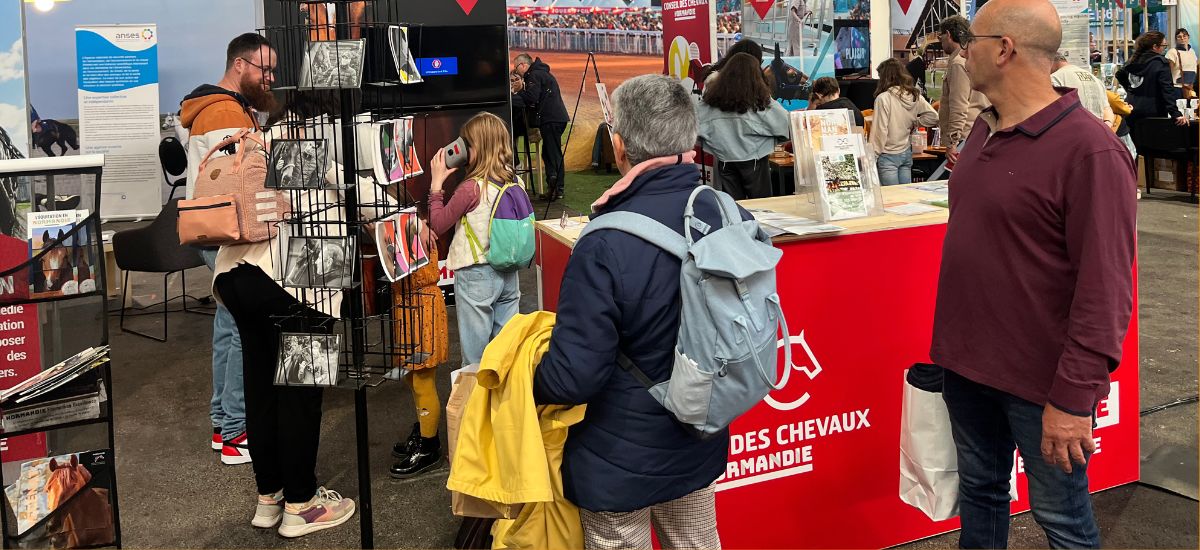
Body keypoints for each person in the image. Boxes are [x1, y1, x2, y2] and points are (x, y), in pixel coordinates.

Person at [932, 0, 1137, 547]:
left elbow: (1107, 291)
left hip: (1041, 385)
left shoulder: (1091, 152)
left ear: (1004, 49)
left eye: (971, 40)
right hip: (968, 369)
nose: (960, 51)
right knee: (980, 495)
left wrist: (1073, 400)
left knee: (1062, 520)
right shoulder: (984, 133)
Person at [532, 74, 747, 550]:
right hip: (699, 433)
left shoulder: (605, 242)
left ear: (620, 144)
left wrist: (524, 382)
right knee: (696, 542)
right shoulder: (729, 215)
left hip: (617, 455)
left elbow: (574, 377)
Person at [213, 90, 392, 537]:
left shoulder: (258, 142)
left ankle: (269, 497)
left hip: (237, 277)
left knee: (262, 386)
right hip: (295, 283)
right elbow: (366, 199)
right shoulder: (304, 146)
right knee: (300, 391)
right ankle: (302, 504)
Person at [180, 32, 279, 466]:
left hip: (214, 230)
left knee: (228, 326)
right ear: (240, 65)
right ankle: (236, 428)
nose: (270, 77)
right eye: (265, 68)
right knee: (241, 329)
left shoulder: (212, 107)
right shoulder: (224, 111)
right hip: (231, 230)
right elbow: (245, 173)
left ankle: (225, 425)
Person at [427, 112, 521, 368]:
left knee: (475, 360)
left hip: (476, 273)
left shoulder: (471, 188)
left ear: (477, 148)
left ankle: (476, 406)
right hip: (508, 272)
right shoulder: (514, 181)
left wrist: (436, 186)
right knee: (504, 354)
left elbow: (438, 223)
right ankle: (504, 406)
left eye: (466, 143)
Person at [388, 218, 449, 479]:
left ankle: (429, 445)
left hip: (422, 305)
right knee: (412, 376)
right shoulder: (402, 222)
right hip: (406, 303)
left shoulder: (418, 224)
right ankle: (423, 430)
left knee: (423, 379)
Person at [696, 52, 791, 199]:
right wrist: (769, 142)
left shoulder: (712, 101)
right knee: (762, 208)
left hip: (725, 160)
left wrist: (715, 145)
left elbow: (693, 128)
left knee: (733, 208)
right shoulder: (761, 101)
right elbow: (786, 126)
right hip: (755, 161)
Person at [870, 58, 938, 185]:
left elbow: (880, 131)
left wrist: (871, 157)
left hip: (887, 154)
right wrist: (915, 122)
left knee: (890, 199)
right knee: (904, 196)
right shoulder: (914, 95)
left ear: (885, 77)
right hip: (906, 152)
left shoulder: (883, 98)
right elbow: (933, 116)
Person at [512, 53, 569, 200]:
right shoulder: (541, 73)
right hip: (555, 118)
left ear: (523, 65)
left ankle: (558, 189)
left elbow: (532, 97)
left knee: (552, 153)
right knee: (549, 152)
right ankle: (554, 188)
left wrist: (513, 97)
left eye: (516, 67)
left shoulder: (534, 75)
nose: (516, 71)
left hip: (551, 118)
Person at [937, 15, 991, 163]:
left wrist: (952, 142)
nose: (940, 41)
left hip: (963, 139)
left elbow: (959, 106)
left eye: (940, 36)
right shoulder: (976, 59)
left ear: (948, 34)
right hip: (979, 133)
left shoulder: (957, 63)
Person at [1117, 31, 1188, 127]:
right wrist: (1175, 113)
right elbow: (1167, 89)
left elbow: (1119, 74)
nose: (1164, 49)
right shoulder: (1160, 63)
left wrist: (1131, 90)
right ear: (1155, 47)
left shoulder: (1133, 60)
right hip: (1153, 112)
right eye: (1164, 46)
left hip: (1131, 108)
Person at [1051, 52, 1113, 124]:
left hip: (1073, 130)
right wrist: (1108, 124)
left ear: (1049, 62)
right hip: (1097, 130)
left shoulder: (1054, 78)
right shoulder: (1094, 78)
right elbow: (1106, 108)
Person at [1166, 28, 1197, 95]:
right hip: (1177, 88)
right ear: (1176, 39)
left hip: (1190, 88)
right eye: (1179, 37)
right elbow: (1167, 72)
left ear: (1188, 37)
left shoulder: (1192, 52)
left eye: (1184, 36)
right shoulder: (1172, 52)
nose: (1182, 38)